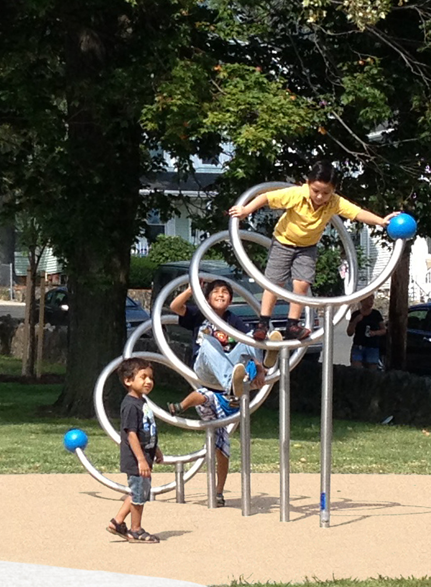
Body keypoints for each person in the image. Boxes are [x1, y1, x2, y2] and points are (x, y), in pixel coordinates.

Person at [229, 160, 399, 341]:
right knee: (274, 283)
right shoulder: (296, 194)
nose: (319, 197)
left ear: (333, 191)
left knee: (302, 284)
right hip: (283, 242)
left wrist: (381, 221)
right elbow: (267, 197)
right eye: (315, 191)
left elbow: (357, 213)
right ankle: (263, 323)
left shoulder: (334, 202)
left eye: (325, 193)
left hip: (307, 247)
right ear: (308, 184)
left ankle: (292, 324)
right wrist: (246, 210)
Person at [166, 279, 280, 507]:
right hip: (206, 370)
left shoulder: (233, 320)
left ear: (230, 299)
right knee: (208, 343)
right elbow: (174, 308)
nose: (221, 295)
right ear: (207, 298)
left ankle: (266, 356)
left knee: (251, 337)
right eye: (216, 292)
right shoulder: (199, 315)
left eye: (225, 292)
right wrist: (192, 288)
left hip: (229, 369)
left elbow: (247, 343)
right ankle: (231, 384)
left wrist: (259, 369)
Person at [107, 357, 164, 543]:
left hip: (144, 456)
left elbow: (145, 431)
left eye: (151, 377)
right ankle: (135, 530)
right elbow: (131, 434)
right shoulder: (131, 405)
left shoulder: (142, 402)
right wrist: (140, 459)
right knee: (139, 495)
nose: (148, 381)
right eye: (143, 377)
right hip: (136, 459)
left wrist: (156, 450)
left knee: (136, 492)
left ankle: (117, 522)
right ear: (128, 381)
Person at [347, 295, 386, 370]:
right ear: (362, 301)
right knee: (356, 370)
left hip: (372, 347)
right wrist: (355, 321)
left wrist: (374, 333)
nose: (371, 301)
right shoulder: (356, 314)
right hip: (358, 346)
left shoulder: (376, 314)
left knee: (371, 372)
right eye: (369, 299)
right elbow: (349, 332)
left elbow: (383, 330)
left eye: (372, 299)